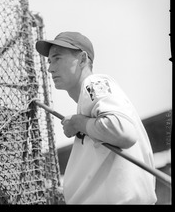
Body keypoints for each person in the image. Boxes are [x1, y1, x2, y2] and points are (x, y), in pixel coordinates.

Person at [35, 32, 157, 204]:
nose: (50, 68)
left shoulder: (94, 83)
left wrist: (78, 122)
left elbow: (123, 130)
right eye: (49, 61)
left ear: (83, 59)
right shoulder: (89, 105)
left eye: (57, 58)